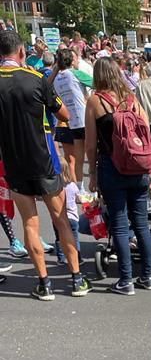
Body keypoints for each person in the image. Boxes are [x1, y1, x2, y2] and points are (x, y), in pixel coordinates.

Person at [0, 30, 89, 301]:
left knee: (30, 222)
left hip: (14, 163)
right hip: (44, 160)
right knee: (61, 220)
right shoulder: (36, 78)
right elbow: (64, 113)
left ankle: (44, 283)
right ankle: (76, 279)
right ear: (22, 53)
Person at [85, 57, 151, 296]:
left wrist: (92, 173)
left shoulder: (95, 101)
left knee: (120, 225)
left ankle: (126, 280)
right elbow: (147, 134)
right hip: (139, 168)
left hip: (112, 168)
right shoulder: (132, 100)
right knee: (141, 222)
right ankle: (147, 275)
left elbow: (90, 144)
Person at [52, 47, 88, 187]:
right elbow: (97, 82)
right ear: (72, 61)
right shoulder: (76, 73)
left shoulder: (56, 78)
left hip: (71, 121)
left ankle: (80, 188)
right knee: (93, 156)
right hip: (85, 118)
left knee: (77, 158)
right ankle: (96, 188)